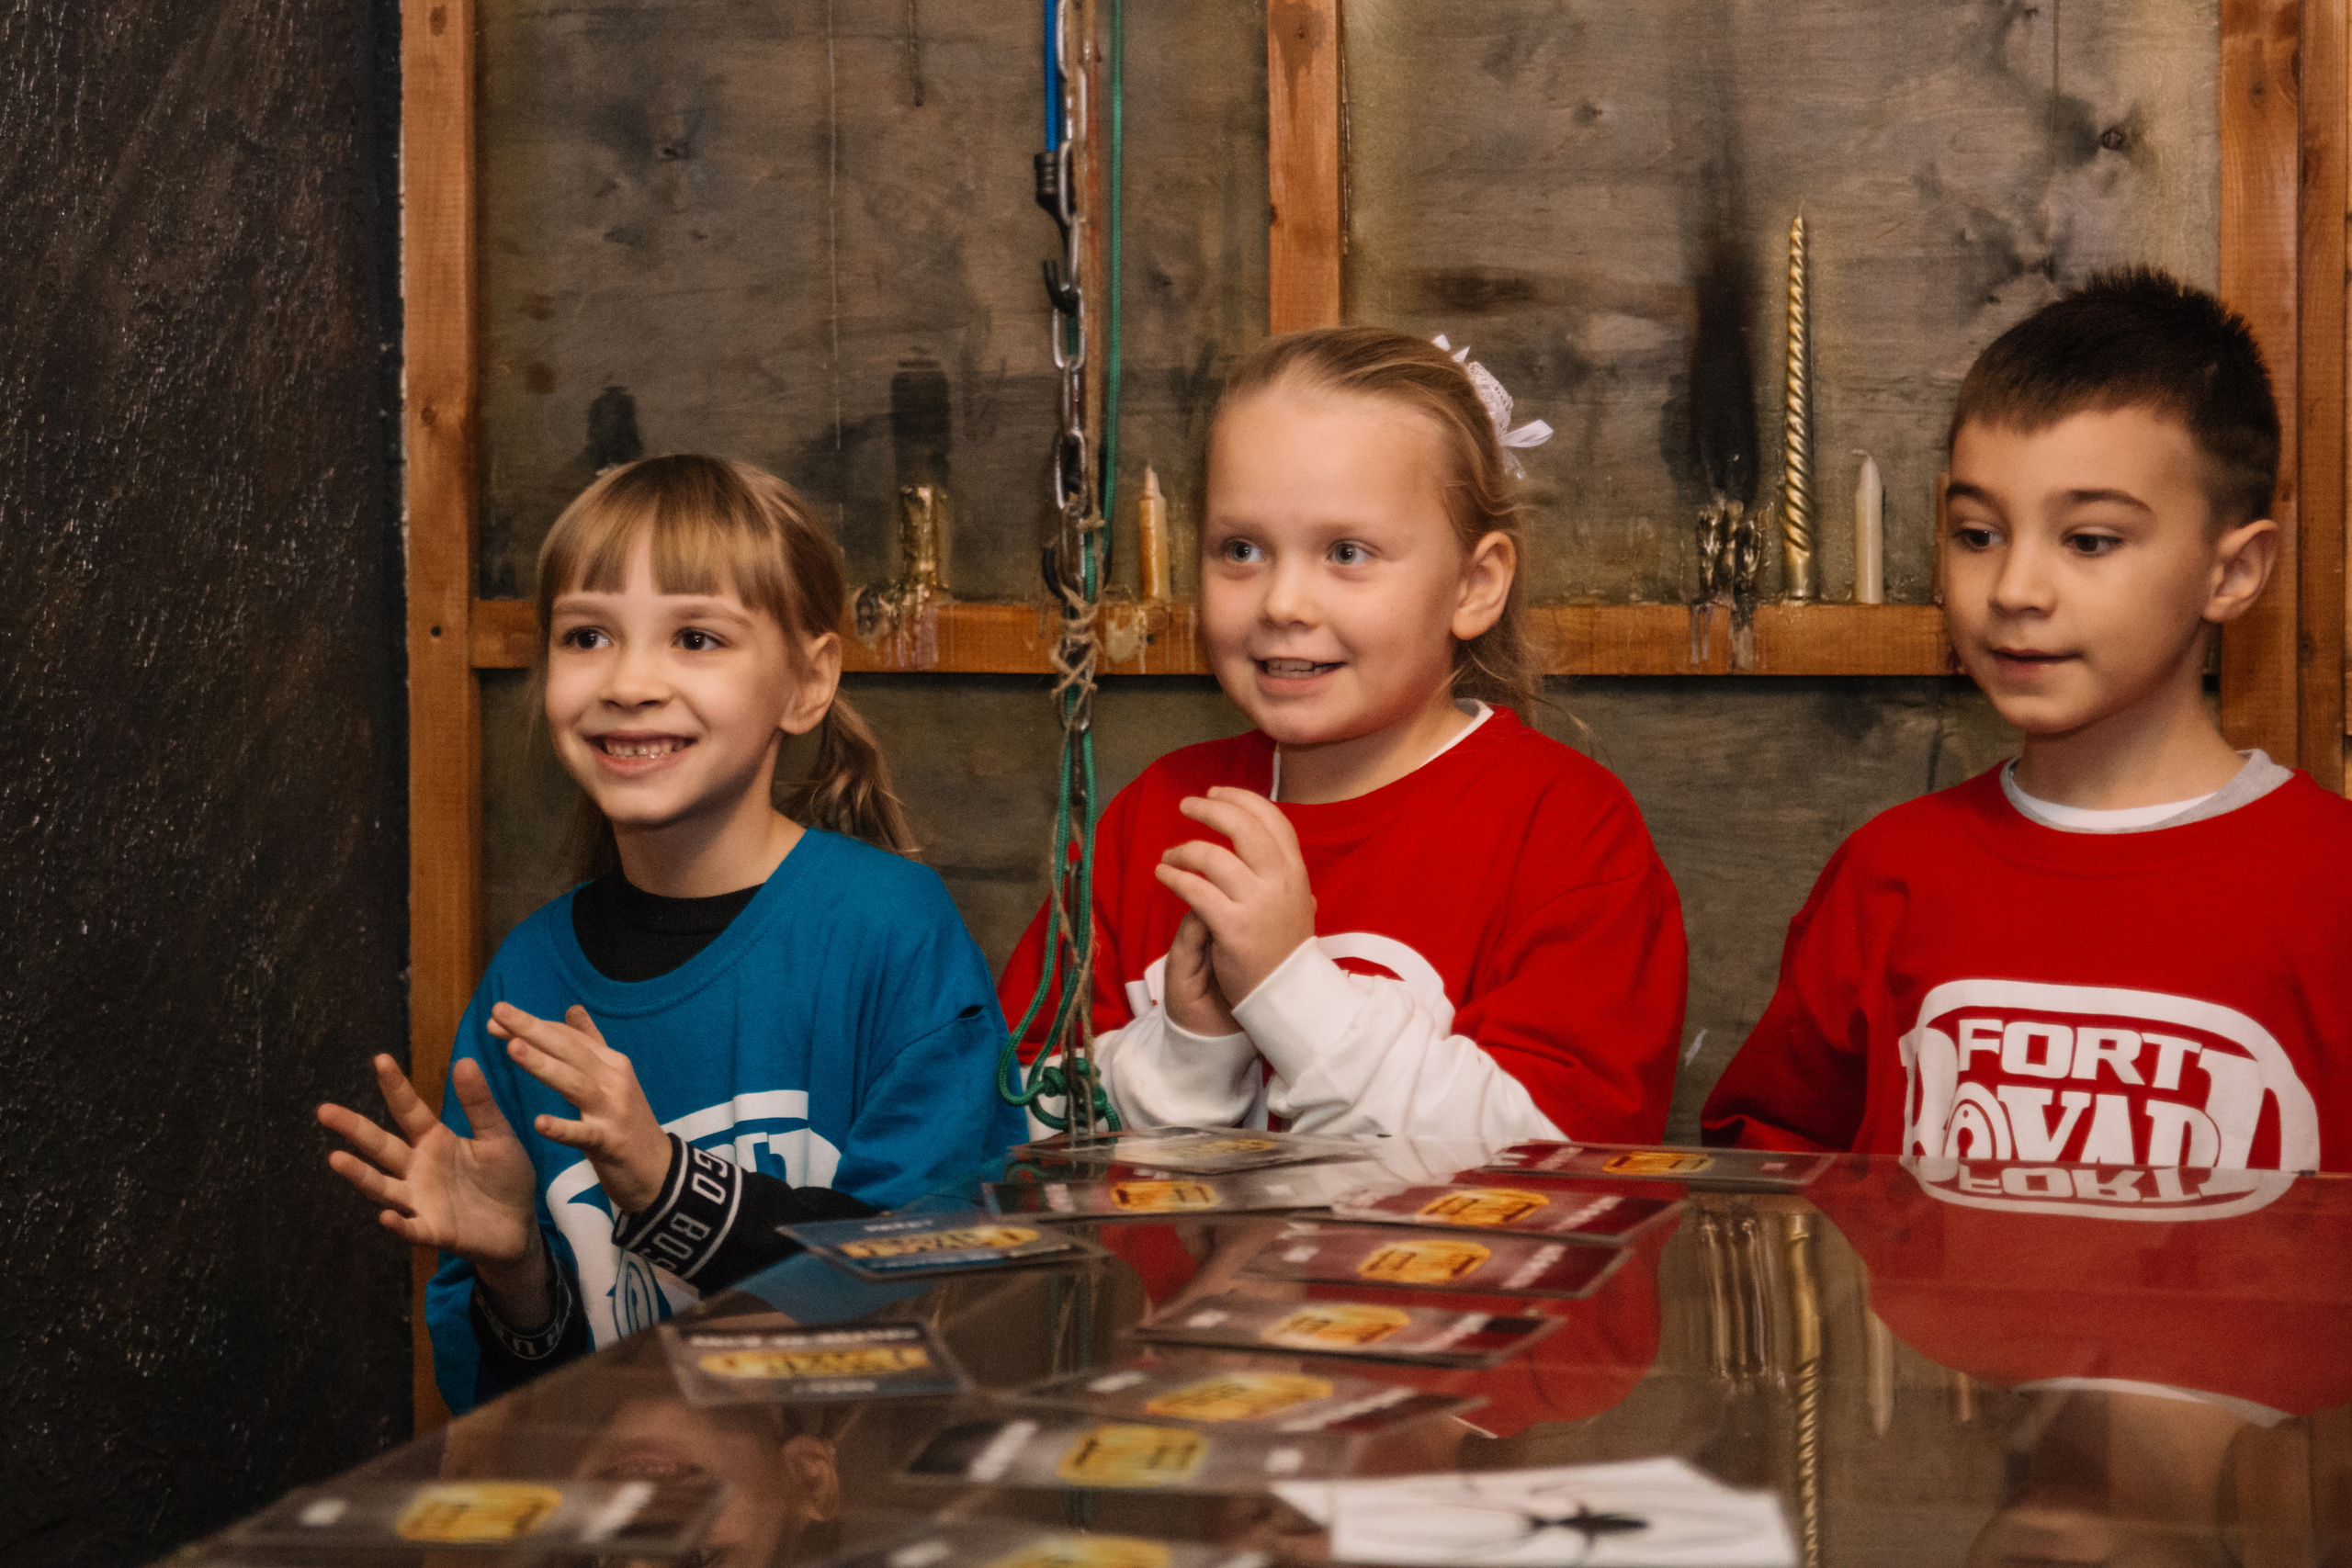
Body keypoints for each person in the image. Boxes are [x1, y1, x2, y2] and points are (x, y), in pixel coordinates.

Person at [320, 455, 1022, 1412]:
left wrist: (666, 1185)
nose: (631, 682)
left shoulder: (888, 932)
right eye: (587, 636)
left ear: (806, 683)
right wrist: (515, 1267)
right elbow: (512, 1409)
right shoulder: (525, 983)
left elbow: (945, 1282)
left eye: (695, 637)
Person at [1702, 268, 2352, 1170]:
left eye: (2089, 540)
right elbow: (1770, 1174)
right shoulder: (1886, 877)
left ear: (2233, 573)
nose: (2012, 590)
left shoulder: (2330, 890)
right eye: (1978, 534)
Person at [1001, 326, 1688, 1140]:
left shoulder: (1569, 833)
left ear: (1474, 584)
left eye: (1348, 552)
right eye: (1242, 549)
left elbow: (1558, 1158)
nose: (1283, 602)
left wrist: (1289, 989)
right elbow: (1016, 1125)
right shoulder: (1159, 814)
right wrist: (1189, 1047)